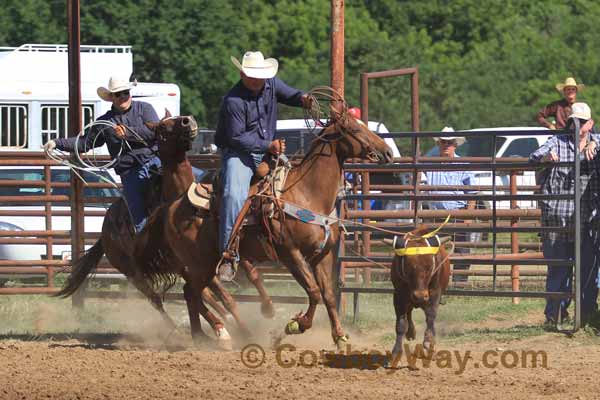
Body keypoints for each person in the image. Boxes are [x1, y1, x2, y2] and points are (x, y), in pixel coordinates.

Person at [215, 51, 312, 281]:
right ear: (242, 74)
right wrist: (269, 145)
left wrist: (305, 99)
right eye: (252, 76)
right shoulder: (233, 101)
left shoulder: (271, 85)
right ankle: (228, 254)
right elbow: (237, 137)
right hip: (239, 154)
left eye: (260, 75)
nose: (257, 80)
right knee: (232, 194)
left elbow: (291, 95)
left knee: (298, 181)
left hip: (268, 151)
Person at [43, 76, 161, 234]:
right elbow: (85, 143)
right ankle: (145, 243)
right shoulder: (104, 122)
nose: (123, 97)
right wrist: (58, 143)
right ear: (111, 98)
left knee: (190, 182)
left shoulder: (145, 109)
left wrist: (128, 133)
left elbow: (155, 132)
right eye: (118, 94)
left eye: (125, 92)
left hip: (156, 162)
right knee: (138, 214)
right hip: (130, 171)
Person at [530, 102, 599, 327]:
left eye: (580, 121)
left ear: (590, 124)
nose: (575, 125)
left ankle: (587, 314)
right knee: (559, 269)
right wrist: (546, 159)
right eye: (572, 121)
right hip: (558, 219)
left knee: (587, 269)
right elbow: (534, 157)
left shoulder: (596, 145)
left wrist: (596, 142)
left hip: (586, 220)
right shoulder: (557, 143)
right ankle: (555, 315)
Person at [424, 127, 475, 283]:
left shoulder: (463, 164)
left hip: (457, 214)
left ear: (455, 145)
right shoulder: (429, 165)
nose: (446, 146)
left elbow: (472, 195)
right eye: (444, 142)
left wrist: (468, 216)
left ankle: (460, 283)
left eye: (449, 143)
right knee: (433, 251)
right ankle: (437, 283)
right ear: (439, 144)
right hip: (436, 216)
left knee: (461, 250)